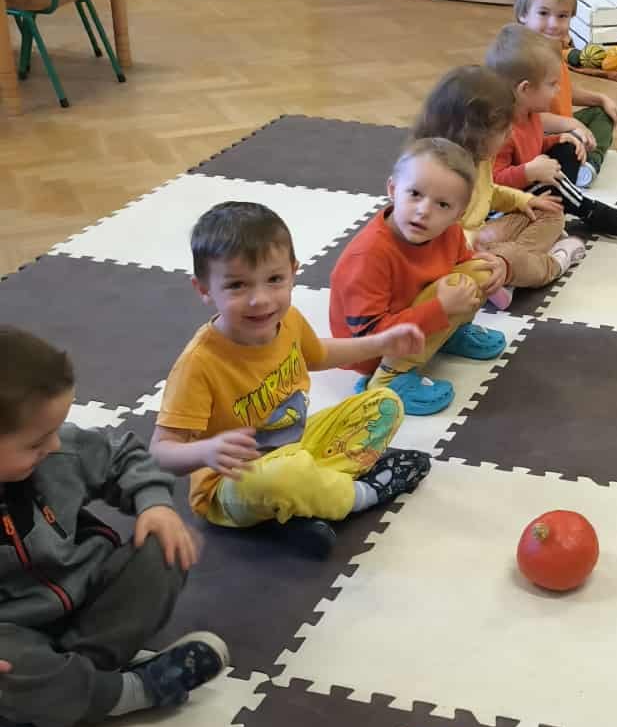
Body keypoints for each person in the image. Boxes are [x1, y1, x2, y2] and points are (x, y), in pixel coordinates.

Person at [0, 327, 228, 727]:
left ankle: (57, 700)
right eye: (36, 443)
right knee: (11, 669)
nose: (55, 446)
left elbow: (123, 456)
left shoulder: (58, 450)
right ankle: (132, 691)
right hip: (14, 632)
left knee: (164, 548)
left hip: (88, 593)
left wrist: (156, 504)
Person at [150, 202, 433, 559]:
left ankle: (304, 500)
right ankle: (362, 494)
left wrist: (380, 343)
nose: (260, 300)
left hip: (296, 447)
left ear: (294, 272)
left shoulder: (288, 320)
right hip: (233, 483)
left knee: (385, 404)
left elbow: (319, 355)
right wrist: (204, 452)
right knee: (284, 476)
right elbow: (160, 452)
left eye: (274, 280)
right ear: (204, 289)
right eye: (237, 285)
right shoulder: (199, 363)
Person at [328, 138, 508, 419]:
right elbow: (368, 336)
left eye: (442, 204)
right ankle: (389, 379)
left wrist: (495, 267)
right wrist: (441, 309)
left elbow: (463, 265)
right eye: (414, 194)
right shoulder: (367, 255)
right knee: (456, 286)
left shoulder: (448, 231)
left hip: (416, 320)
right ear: (392, 189)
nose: (424, 210)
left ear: (458, 214)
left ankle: (449, 336)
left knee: (480, 270)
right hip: (372, 351)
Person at [413, 64, 571, 311]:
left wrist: (523, 201)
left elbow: (489, 191)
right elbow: (432, 235)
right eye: (504, 131)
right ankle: (553, 263)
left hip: (482, 236)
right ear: (476, 134)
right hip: (455, 255)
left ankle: (507, 271)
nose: (509, 136)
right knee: (506, 259)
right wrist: (472, 245)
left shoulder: (480, 159)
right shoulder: (437, 172)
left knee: (550, 212)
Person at [486, 23, 617, 237]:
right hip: (499, 208)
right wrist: (528, 171)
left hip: (527, 188)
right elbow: (493, 184)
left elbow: (532, 146)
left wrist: (557, 139)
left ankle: (561, 206)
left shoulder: (531, 115)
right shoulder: (500, 131)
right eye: (552, 84)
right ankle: (590, 211)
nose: (558, 91)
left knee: (567, 148)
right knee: (553, 185)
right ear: (525, 89)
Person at [514, 0, 617, 189]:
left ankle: (588, 164)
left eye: (562, 16)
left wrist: (600, 99)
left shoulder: (554, 49)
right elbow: (529, 119)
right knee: (567, 147)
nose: (554, 24)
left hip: (562, 126)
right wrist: (572, 124)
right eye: (543, 13)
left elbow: (564, 90)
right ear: (523, 14)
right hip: (537, 136)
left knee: (601, 114)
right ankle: (578, 164)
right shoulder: (523, 58)